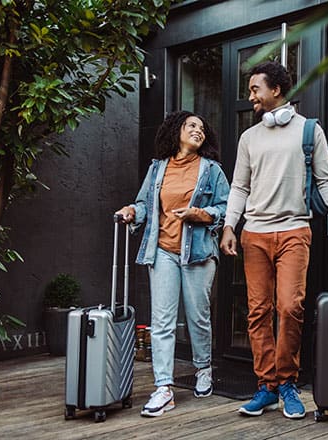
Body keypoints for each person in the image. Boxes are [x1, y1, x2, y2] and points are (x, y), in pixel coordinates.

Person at [219, 61, 328, 420]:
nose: (250, 96)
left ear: (276, 90)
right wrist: (230, 225)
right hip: (254, 233)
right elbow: (239, 186)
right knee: (258, 311)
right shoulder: (249, 138)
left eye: (256, 89)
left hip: (294, 231)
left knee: (290, 307)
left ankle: (287, 382)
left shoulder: (309, 131)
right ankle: (266, 387)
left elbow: (326, 180)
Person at [115, 110, 229, 417]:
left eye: (202, 128)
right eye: (191, 125)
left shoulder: (211, 170)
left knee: (197, 317)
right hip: (162, 250)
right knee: (162, 322)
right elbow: (144, 205)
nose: (198, 130)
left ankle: (203, 368)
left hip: (198, 252)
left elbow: (226, 206)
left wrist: (202, 215)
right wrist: (131, 211)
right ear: (175, 130)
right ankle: (163, 388)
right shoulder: (158, 168)